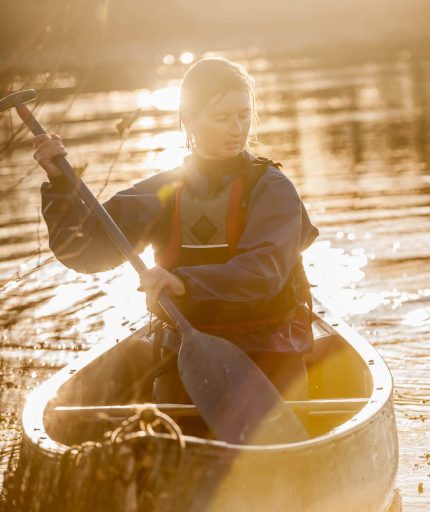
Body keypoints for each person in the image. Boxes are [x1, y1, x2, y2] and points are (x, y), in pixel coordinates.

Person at [32, 57, 318, 408]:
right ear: (189, 119)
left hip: (269, 355)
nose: (237, 129)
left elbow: (265, 272)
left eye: (244, 115)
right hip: (186, 357)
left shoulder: (273, 188)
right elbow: (84, 251)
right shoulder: (163, 191)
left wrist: (184, 282)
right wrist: (61, 185)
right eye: (221, 117)